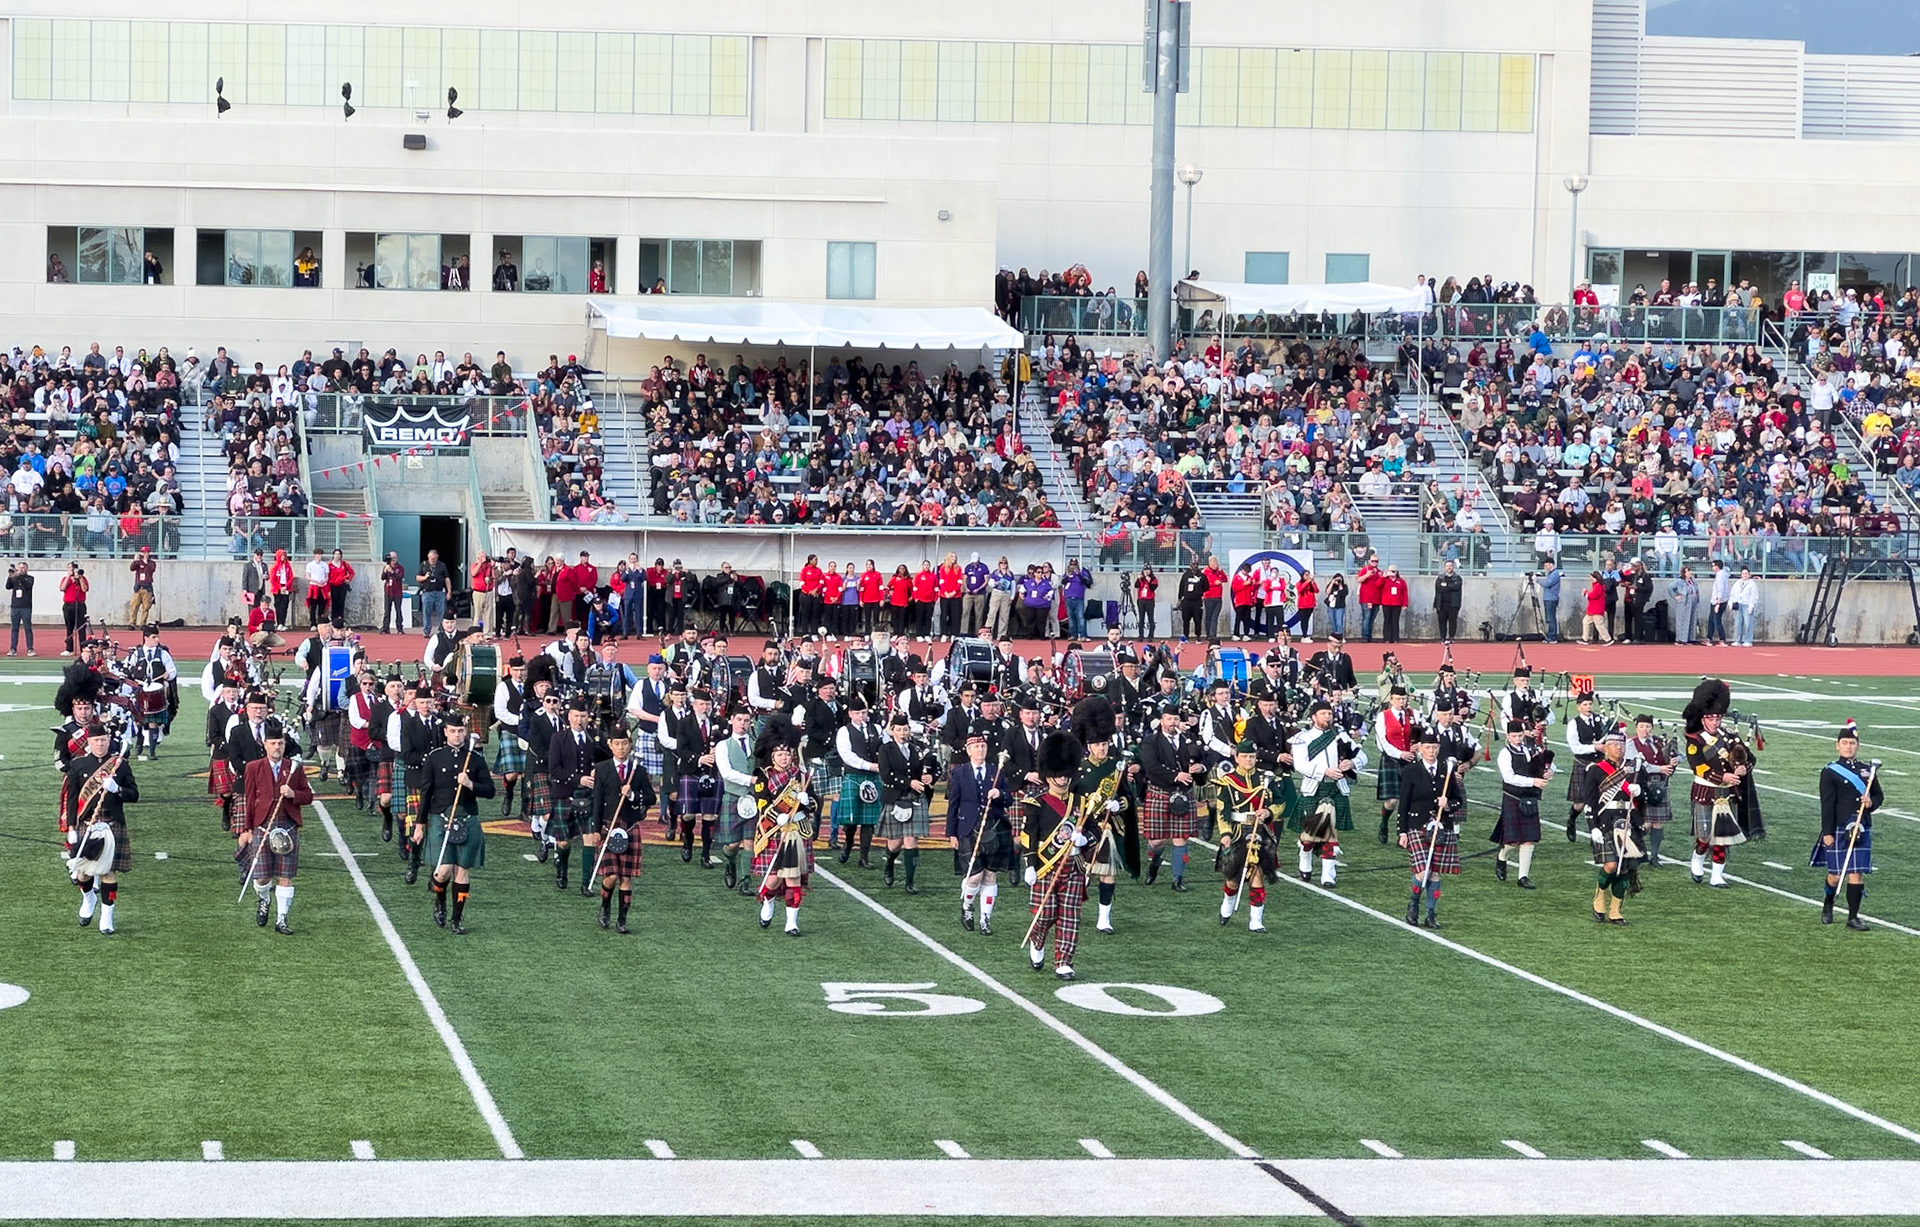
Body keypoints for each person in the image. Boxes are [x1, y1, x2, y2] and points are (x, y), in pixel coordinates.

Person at [416, 712, 496, 935]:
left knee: (462, 871)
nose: (457, 735)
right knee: (442, 872)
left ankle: (457, 918)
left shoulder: (475, 759)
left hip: (468, 817)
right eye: (453, 731)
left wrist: (471, 784)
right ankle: (440, 899)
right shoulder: (434, 758)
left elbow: (490, 791)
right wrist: (420, 824)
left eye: (461, 731)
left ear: (465, 732)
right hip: (440, 817)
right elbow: (426, 792)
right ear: (445, 732)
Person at [1021, 732, 1088, 980]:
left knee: (1070, 916)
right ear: (1049, 775)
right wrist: (1030, 865)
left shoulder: (1081, 802)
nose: (1062, 779)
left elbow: (1093, 831)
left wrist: (1084, 841)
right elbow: (1029, 835)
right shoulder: (1036, 803)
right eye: (1058, 775)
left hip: (1073, 867)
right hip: (1045, 866)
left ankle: (1063, 961)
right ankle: (1037, 941)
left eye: (1065, 775)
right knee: (1045, 913)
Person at [1683, 679, 1761, 888]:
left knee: (1723, 837)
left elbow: (1750, 758)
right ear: (1703, 718)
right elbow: (1698, 767)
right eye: (1711, 718)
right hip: (1705, 791)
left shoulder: (1730, 736)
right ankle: (1698, 857)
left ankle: (1717, 875)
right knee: (1704, 835)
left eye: (1718, 718)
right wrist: (1722, 777)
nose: (1715, 722)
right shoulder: (1695, 740)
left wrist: (1743, 768)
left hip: (1727, 794)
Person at [63, 721, 138, 935]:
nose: (100, 744)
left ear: (108, 740)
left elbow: (134, 794)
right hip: (87, 824)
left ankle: (107, 917)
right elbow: (72, 799)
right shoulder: (78, 765)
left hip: (112, 825)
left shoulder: (119, 764)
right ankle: (89, 898)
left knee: (108, 872)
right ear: (89, 741)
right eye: (96, 740)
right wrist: (71, 826)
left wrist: (117, 789)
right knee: (83, 874)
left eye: (103, 740)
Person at [238, 718, 312, 935]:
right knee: (261, 877)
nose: (277, 747)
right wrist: (247, 829)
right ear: (265, 744)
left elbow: (308, 796)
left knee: (285, 876)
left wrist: (293, 794)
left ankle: (282, 919)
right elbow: (249, 799)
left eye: (280, 743)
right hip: (262, 826)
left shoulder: (294, 768)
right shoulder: (253, 767)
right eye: (272, 743)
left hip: (287, 827)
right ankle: (264, 899)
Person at [1289, 699, 1364, 888]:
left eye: (1329, 713)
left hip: (1336, 788)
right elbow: (1300, 765)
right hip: (1313, 788)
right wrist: (1325, 771)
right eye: (1323, 714)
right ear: (1314, 717)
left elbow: (1362, 755)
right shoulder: (1303, 738)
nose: (1327, 717)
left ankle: (1328, 875)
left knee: (1331, 830)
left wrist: (1352, 763)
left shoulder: (1340, 735)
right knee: (1310, 834)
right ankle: (1305, 855)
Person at [589, 722, 653, 934]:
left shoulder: (638, 771)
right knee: (611, 877)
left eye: (625, 743)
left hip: (630, 827)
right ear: (610, 744)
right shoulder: (602, 769)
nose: (621, 748)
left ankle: (622, 920)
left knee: (626, 877)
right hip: (608, 826)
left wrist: (633, 794)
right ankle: (605, 907)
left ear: (630, 745)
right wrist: (596, 829)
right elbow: (597, 802)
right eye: (617, 743)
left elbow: (651, 798)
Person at [1398, 727, 1464, 929]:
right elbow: (1404, 802)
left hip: (1442, 827)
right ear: (1420, 749)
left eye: (1435, 747)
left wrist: (1448, 804)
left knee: (1434, 873)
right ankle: (1413, 906)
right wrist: (1402, 832)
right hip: (1417, 826)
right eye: (1427, 747)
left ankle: (1430, 914)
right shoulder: (1411, 771)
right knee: (1422, 872)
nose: (1431, 751)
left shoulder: (1446, 770)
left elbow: (1458, 800)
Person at [1817, 722, 1881, 930]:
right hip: (1839, 827)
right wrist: (1827, 833)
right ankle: (1828, 903)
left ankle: (1853, 918)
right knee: (1835, 875)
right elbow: (1827, 805)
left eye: (1852, 743)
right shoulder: (1830, 771)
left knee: (1856, 872)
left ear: (1857, 746)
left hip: (1861, 825)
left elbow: (1879, 795)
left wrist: (1871, 803)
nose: (1848, 747)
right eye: (1844, 743)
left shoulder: (1867, 771)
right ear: (1838, 745)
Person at [751, 741, 816, 936]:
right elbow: (762, 802)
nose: (784, 758)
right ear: (773, 757)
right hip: (774, 830)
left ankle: (791, 923)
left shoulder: (801, 775)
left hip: (797, 830)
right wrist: (777, 816)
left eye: (787, 754)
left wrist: (807, 802)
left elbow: (814, 802)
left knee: (793, 877)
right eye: (780, 755)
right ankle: (768, 901)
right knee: (772, 880)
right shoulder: (764, 776)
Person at [1214, 741, 1279, 932]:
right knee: (1233, 878)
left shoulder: (1266, 779)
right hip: (1236, 833)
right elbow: (1222, 810)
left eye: (1251, 756)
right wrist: (1225, 834)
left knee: (1257, 874)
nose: (1248, 760)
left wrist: (1269, 811)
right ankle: (1228, 902)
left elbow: (1281, 801)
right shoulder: (1227, 781)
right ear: (1236, 758)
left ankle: (1256, 921)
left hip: (1260, 831)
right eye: (1244, 756)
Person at [547, 695, 608, 895]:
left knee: (590, 839)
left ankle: (586, 884)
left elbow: (607, 760)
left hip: (589, 796)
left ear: (588, 717)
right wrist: (578, 779)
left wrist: (598, 770)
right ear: (569, 716)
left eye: (582, 716)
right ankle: (562, 869)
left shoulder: (595, 737)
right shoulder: (558, 739)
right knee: (564, 842)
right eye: (575, 716)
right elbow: (554, 769)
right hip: (565, 795)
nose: (579, 720)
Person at [1137, 703, 1201, 891]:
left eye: (1176, 719)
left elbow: (1202, 758)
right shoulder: (1151, 741)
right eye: (1169, 719)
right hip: (1160, 793)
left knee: (1181, 838)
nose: (1173, 722)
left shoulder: (1189, 739)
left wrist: (1201, 767)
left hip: (1184, 794)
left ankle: (1177, 880)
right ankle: (1155, 861)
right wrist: (1175, 776)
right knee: (1156, 841)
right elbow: (1151, 767)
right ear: (1162, 721)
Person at [1585, 729, 1639, 925]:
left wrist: (1640, 791)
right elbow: (1590, 800)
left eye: (1622, 745)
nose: (1619, 748)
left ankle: (1616, 910)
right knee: (1611, 865)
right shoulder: (1595, 770)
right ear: (1606, 748)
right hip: (1606, 820)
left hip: (1627, 821)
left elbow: (1645, 798)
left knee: (1624, 869)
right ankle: (1600, 893)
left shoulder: (1633, 768)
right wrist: (1593, 826)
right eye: (1614, 745)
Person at [832, 694, 884, 868]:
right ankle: (848, 844)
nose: (861, 716)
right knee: (851, 820)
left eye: (863, 712)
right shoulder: (844, 731)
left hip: (873, 778)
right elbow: (847, 756)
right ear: (850, 714)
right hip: (854, 776)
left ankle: (864, 857)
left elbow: (885, 748)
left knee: (869, 821)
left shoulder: (877, 729)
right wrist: (870, 766)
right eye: (857, 713)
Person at [1624, 714, 1676, 867]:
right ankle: (1635, 849)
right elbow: (1639, 763)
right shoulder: (1631, 744)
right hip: (1643, 783)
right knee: (1645, 822)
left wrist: (1675, 760)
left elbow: (1680, 756)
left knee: (1658, 823)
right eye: (1641, 726)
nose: (1645, 729)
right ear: (1636, 728)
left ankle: (1654, 856)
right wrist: (1660, 768)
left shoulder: (1658, 742)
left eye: (1647, 726)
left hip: (1660, 784)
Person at [1374, 685, 1415, 844]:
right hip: (1391, 760)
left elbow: (1420, 733)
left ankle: (1403, 834)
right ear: (1391, 699)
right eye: (1398, 699)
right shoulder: (1383, 716)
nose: (1401, 702)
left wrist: (1417, 746)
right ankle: (1384, 825)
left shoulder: (1412, 714)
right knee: (1392, 801)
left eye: (1403, 699)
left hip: (1410, 760)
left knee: (1409, 799)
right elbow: (1382, 741)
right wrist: (1400, 754)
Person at [1564, 688, 1606, 842]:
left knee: (1600, 800)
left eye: (1590, 704)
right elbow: (1575, 748)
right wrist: (1595, 747)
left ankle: (1596, 832)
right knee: (1580, 803)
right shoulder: (1574, 723)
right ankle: (1572, 819)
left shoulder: (1599, 720)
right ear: (1578, 706)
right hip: (1583, 763)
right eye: (1585, 704)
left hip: (1599, 765)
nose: (1588, 707)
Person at [416, 549, 451, 636]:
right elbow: (418, 578)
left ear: (437, 558)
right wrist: (425, 577)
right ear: (428, 557)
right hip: (427, 592)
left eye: (434, 558)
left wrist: (449, 591)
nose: (432, 560)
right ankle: (426, 631)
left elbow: (447, 579)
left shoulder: (442, 565)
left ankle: (441, 630)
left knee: (442, 612)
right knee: (426, 612)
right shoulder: (424, 565)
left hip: (440, 592)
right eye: (431, 558)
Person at [59, 563, 89, 656]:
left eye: (73, 568)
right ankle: (69, 648)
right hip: (68, 605)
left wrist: (79, 578)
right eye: (69, 568)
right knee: (69, 628)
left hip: (80, 605)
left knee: (81, 628)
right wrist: (68, 577)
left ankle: (83, 648)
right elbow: (62, 588)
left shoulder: (83, 579)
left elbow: (84, 589)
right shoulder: (65, 579)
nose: (71, 570)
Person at [127, 546, 158, 629]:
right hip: (138, 587)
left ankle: (143, 623)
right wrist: (135, 560)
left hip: (147, 587)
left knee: (146, 607)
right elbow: (132, 568)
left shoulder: (152, 563)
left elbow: (152, 569)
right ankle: (132, 623)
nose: (144, 554)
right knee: (134, 606)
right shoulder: (138, 563)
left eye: (146, 552)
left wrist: (146, 562)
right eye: (143, 552)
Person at [1431, 560, 1462, 642]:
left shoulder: (1457, 578)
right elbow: (1439, 588)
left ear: (1453, 567)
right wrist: (1450, 587)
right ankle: (1442, 638)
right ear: (1445, 567)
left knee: (1453, 621)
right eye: (1447, 566)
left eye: (1450, 566)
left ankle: (1451, 637)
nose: (1449, 567)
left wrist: (1446, 586)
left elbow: (1456, 586)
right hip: (1441, 604)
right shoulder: (1440, 578)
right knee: (1442, 621)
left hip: (1453, 604)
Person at [1669, 566, 1701, 645]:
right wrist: (1675, 596)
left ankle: (1690, 638)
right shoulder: (1679, 581)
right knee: (1683, 620)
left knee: (1692, 619)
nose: (1690, 573)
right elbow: (1670, 588)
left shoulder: (1693, 581)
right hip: (1684, 602)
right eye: (1688, 571)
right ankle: (1681, 639)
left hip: (1693, 602)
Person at [7, 561, 33, 656]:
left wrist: (18, 576)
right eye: (20, 568)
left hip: (26, 607)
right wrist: (10, 576)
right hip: (15, 607)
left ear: (26, 569)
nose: (21, 569)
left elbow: (28, 585)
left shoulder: (30, 578)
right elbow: (8, 586)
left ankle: (30, 648)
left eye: (23, 568)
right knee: (14, 628)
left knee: (28, 628)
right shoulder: (14, 578)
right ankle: (13, 648)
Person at [1730, 566, 1759, 647]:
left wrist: (1751, 605)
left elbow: (1754, 596)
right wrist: (1731, 603)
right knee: (1738, 623)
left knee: (1748, 623)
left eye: (1746, 574)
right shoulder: (1737, 583)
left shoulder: (1752, 584)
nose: (1745, 575)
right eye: (1743, 574)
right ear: (1741, 574)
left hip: (1747, 605)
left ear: (1749, 575)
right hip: (1738, 604)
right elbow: (1732, 594)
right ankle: (1737, 640)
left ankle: (1748, 640)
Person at [1379, 566, 1409, 643]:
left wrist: (1405, 604)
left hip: (1397, 603)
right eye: (1391, 571)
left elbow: (1404, 593)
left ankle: (1395, 638)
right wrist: (1383, 577)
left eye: (1394, 571)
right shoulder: (1385, 580)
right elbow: (1378, 584)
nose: (1392, 573)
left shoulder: (1401, 581)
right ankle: (1387, 638)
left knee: (1395, 621)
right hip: (1386, 603)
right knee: (1387, 620)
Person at [1706, 559, 1731, 647]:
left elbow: (1720, 589)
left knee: (1716, 620)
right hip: (1716, 601)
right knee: (1711, 620)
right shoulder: (1721, 575)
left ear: (1717, 566)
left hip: (1719, 601)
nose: (1712, 567)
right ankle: (1709, 638)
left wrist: (1718, 603)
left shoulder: (1721, 576)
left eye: (1713, 566)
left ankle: (1722, 639)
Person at [1581, 571, 1612, 644]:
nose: (1591, 579)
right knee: (1586, 622)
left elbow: (1593, 595)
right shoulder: (1596, 585)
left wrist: (1586, 593)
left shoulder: (1598, 586)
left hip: (1596, 609)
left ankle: (1608, 639)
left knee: (1599, 625)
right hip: (1593, 609)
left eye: (1592, 577)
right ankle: (1585, 638)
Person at [379, 553, 406, 634]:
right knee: (387, 611)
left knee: (398, 610)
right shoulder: (387, 566)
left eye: (394, 557)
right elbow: (383, 578)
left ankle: (400, 628)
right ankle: (385, 628)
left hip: (397, 592)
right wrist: (385, 571)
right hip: (388, 591)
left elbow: (400, 577)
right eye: (391, 558)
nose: (393, 559)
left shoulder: (400, 567)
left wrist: (392, 571)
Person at [1537, 558, 1561, 643]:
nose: (1545, 567)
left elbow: (1547, 584)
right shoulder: (1551, 574)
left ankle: (1552, 637)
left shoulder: (1555, 574)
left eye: (1546, 565)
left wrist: (1537, 580)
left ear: (1551, 564)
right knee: (1549, 618)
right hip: (1548, 598)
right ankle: (1551, 636)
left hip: (1551, 599)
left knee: (1551, 618)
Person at [1134, 567, 1158, 639]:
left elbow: (1153, 588)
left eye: (1148, 570)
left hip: (1149, 600)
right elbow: (1136, 586)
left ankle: (1150, 636)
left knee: (1151, 618)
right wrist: (1138, 579)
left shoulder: (1154, 579)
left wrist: (1149, 581)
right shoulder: (1141, 579)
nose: (1146, 572)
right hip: (1141, 600)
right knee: (1141, 618)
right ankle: (1141, 635)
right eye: (1145, 570)